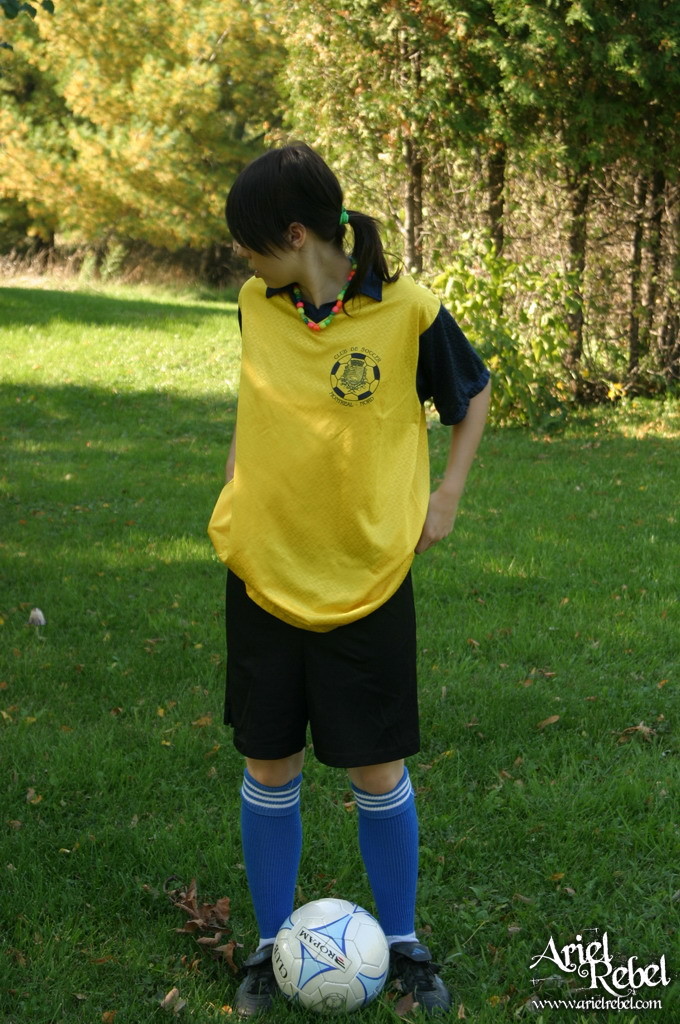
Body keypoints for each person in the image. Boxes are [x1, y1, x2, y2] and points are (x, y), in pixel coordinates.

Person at [209, 142, 491, 1017]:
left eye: (251, 241)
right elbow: (260, 396)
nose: (243, 258)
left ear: (297, 235)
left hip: (366, 576)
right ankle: (270, 945)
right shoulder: (256, 303)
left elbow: (473, 394)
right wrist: (237, 473)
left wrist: (447, 493)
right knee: (270, 765)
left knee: (375, 766)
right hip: (264, 570)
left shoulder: (407, 311)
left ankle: (401, 941)